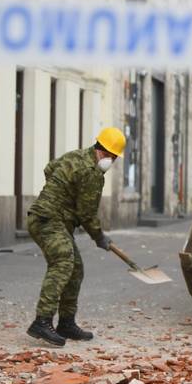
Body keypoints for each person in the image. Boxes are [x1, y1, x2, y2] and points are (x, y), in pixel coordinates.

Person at [26, 127, 126, 347]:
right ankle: (42, 321)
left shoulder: (75, 156)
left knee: (76, 268)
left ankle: (66, 323)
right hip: (46, 219)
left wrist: (63, 196)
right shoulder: (92, 173)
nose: (111, 161)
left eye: (114, 158)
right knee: (63, 261)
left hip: (52, 219)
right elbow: (87, 214)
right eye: (111, 156)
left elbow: (49, 168)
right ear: (104, 152)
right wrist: (99, 237)